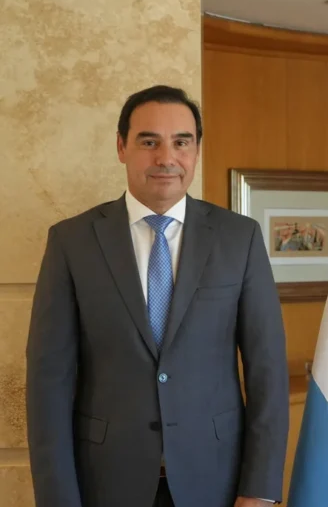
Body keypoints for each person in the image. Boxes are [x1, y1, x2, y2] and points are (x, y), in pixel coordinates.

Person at [26, 85, 289, 507]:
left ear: (196, 149)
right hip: (105, 483)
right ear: (121, 147)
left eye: (181, 142)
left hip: (217, 481)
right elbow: (48, 385)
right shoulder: (71, 242)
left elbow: (268, 373)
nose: (166, 158)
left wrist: (259, 490)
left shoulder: (239, 238)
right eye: (149, 142)